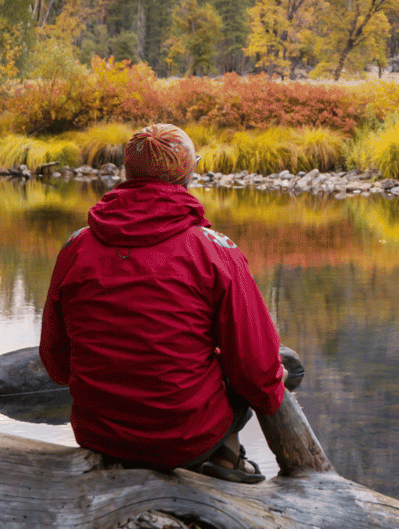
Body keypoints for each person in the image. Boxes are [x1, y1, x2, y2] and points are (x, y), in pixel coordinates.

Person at [40, 123, 285, 483]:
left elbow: (56, 362)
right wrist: (274, 395)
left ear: (127, 173)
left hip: (98, 436)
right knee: (244, 368)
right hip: (187, 439)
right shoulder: (215, 251)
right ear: (189, 172)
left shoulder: (76, 246)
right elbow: (257, 370)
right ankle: (227, 456)